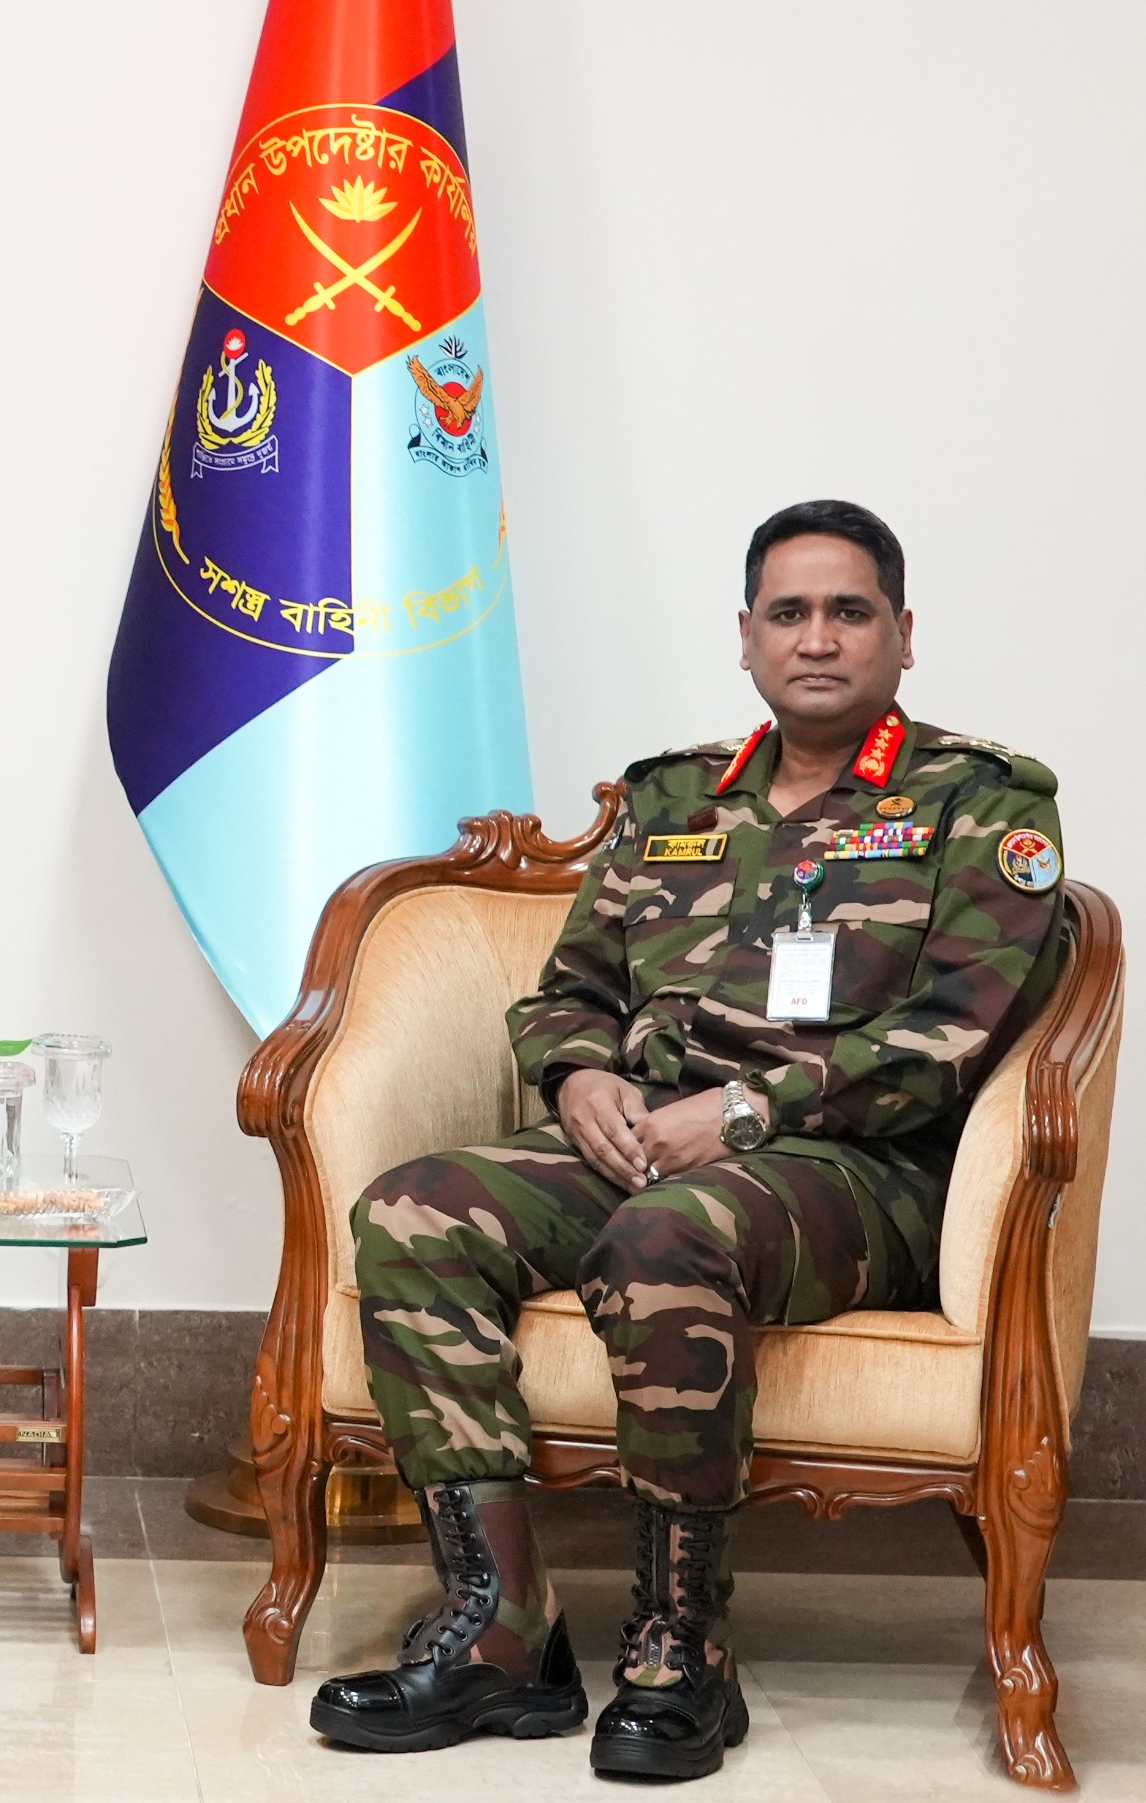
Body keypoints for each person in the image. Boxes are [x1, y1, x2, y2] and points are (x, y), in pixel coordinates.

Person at [308, 500, 1067, 1781]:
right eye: (788, 612)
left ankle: (680, 1651)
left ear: (902, 634)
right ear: (745, 636)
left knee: (665, 1238)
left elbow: (951, 1042)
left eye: (848, 611)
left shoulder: (980, 805)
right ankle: (497, 1633)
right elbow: (563, 992)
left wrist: (742, 1113)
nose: (816, 639)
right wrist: (580, 1078)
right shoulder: (671, 800)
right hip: (642, 1137)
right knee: (413, 1206)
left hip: (848, 1169)